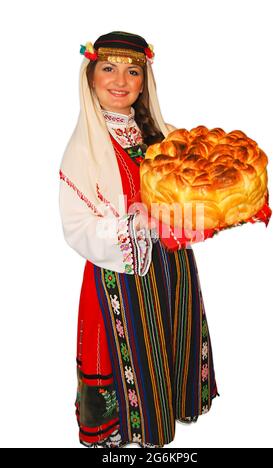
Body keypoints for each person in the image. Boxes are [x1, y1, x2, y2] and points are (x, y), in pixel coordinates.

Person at [58, 30, 219, 449]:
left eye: (133, 71)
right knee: (129, 345)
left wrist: (210, 207)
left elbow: (198, 193)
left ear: (145, 81)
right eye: (108, 68)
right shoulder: (83, 149)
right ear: (90, 76)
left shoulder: (166, 135)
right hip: (122, 273)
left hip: (173, 265)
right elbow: (76, 227)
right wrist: (136, 225)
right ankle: (124, 426)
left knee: (170, 333)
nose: (121, 80)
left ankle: (171, 406)